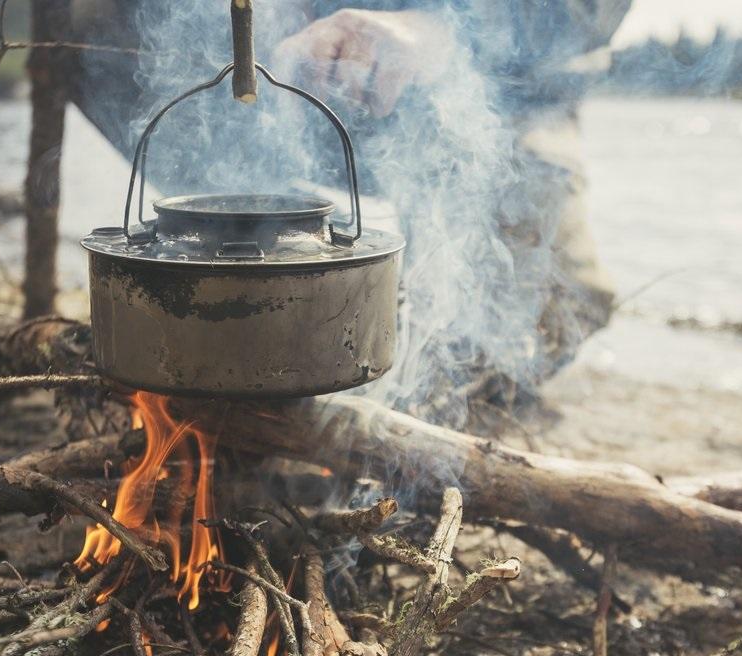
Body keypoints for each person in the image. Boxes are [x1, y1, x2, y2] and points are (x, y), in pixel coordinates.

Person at [71, 0, 631, 423]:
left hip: (487, 100)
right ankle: (229, 329)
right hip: (289, 86)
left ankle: (421, 418)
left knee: (539, 315)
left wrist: (440, 29)